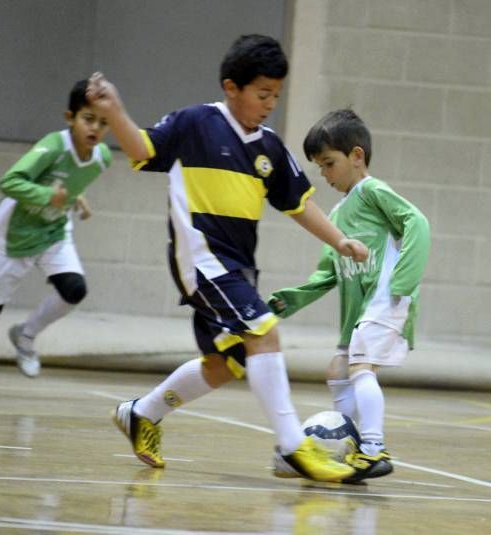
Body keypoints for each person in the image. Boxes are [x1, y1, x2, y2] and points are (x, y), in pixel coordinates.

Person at [86, 34, 370, 483]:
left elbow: (299, 203)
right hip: (200, 260)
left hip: (235, 270)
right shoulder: (194, 124)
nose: (270, 103)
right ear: (231, 87)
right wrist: (114, 110)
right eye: (262, 94)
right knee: (264, 332)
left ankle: (143, 414)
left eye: (276, 95)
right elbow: (142, 150)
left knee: (230, 362)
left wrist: (340, 241)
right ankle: (296, 447)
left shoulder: (271, 148)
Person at [268, 109, 431, 483]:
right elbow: (327, 273)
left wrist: (402, 285)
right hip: (358, 312)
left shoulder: (373, 191)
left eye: (329, 163)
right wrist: (288, 300)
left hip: (384, 299)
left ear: (356, 156)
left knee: (359, 369)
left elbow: (417, 223)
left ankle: (373, 449)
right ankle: (355, 444)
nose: (324, 174)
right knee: (338, 371)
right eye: (319, 167)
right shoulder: (339, 213)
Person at [0, 78, 112, 398]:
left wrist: (77, 196)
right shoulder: (54, 145)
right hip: (15, 233)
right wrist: (48, 195)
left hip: (55, 229)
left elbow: (72, 177)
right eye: (88, 119)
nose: (95, 129)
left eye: (103, 123)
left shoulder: (102, 157)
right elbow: (9, 182)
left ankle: (26, 336)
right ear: (70, 118)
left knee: (74, 289)